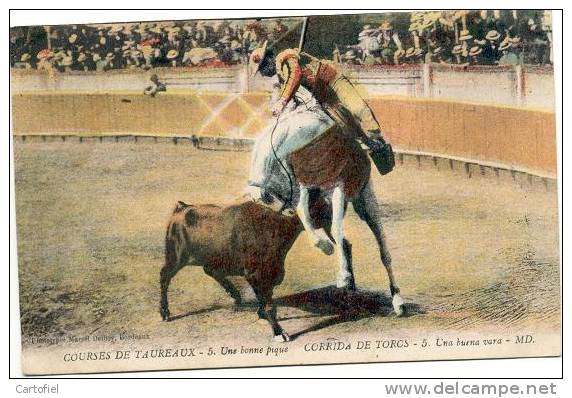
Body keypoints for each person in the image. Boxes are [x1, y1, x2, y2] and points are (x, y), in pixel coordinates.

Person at [248, 42, 395, 177]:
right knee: (341, 127)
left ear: (268, 59)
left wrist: (282, 102)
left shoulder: (285, 57)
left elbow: (295, 75)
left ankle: (376, 143)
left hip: (333, 82)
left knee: (358, 109)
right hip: (320, 98)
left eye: (262, 67)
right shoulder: (280, 76)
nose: (263, 73)